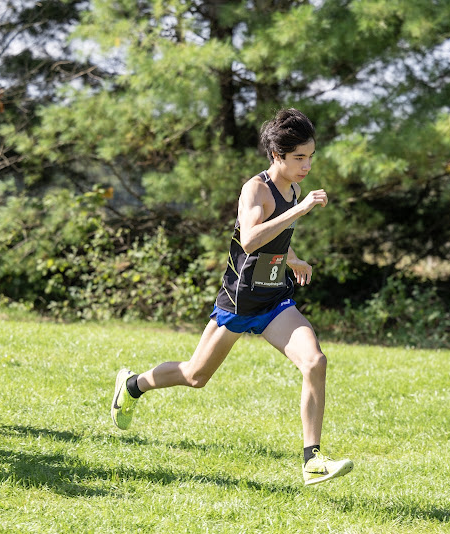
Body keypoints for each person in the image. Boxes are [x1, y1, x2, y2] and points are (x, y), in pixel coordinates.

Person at [110, 109, 353, 486]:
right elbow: (251, 237)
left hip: (273, 300)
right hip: (239, 301)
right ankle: (132, 385)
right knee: (195, 375)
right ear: (277, 156)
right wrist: (301, 211)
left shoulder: (293, 189)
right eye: (299, 158)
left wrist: (292, 259)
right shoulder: (255, 189)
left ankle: (312, 460)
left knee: (315, 361)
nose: (306, 166)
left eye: (310, 157)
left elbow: (276, 240)